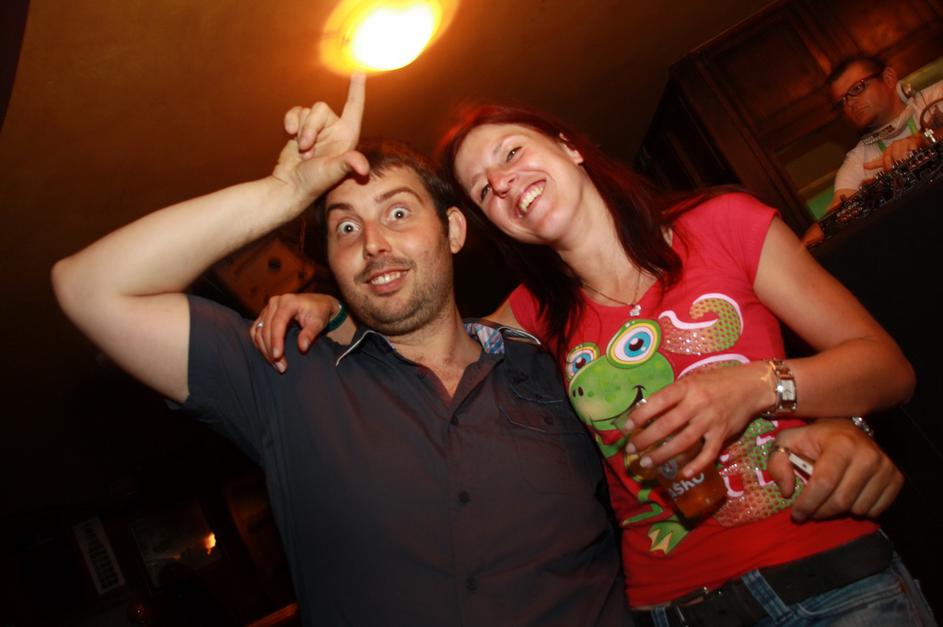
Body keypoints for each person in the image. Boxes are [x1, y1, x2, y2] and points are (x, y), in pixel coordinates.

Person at [254, 97, 932, 624]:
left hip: (827, 582)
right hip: (672, 609)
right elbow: (425, 327)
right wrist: (331, 309)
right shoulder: (534, 314)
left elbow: (887, 369)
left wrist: (756, 387)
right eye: (484, 190)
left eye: (511, 152)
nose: (504, 183)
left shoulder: (720, 224)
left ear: (569, 146)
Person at [51, 76, 632, 626]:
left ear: (453, 231)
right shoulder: (286, 376)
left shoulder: (558, 364)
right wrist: (282, 193)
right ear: (330, 261)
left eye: (398, 213)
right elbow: (89, 288)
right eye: (346, 228)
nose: (373, 243)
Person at [802, 55, 943, 245]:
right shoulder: (856, 161)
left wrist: (924, 139)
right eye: (842, 101)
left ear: (888, 78)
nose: (850, 103)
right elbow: (830, 220)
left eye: (857, 88)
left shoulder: (937, 95)